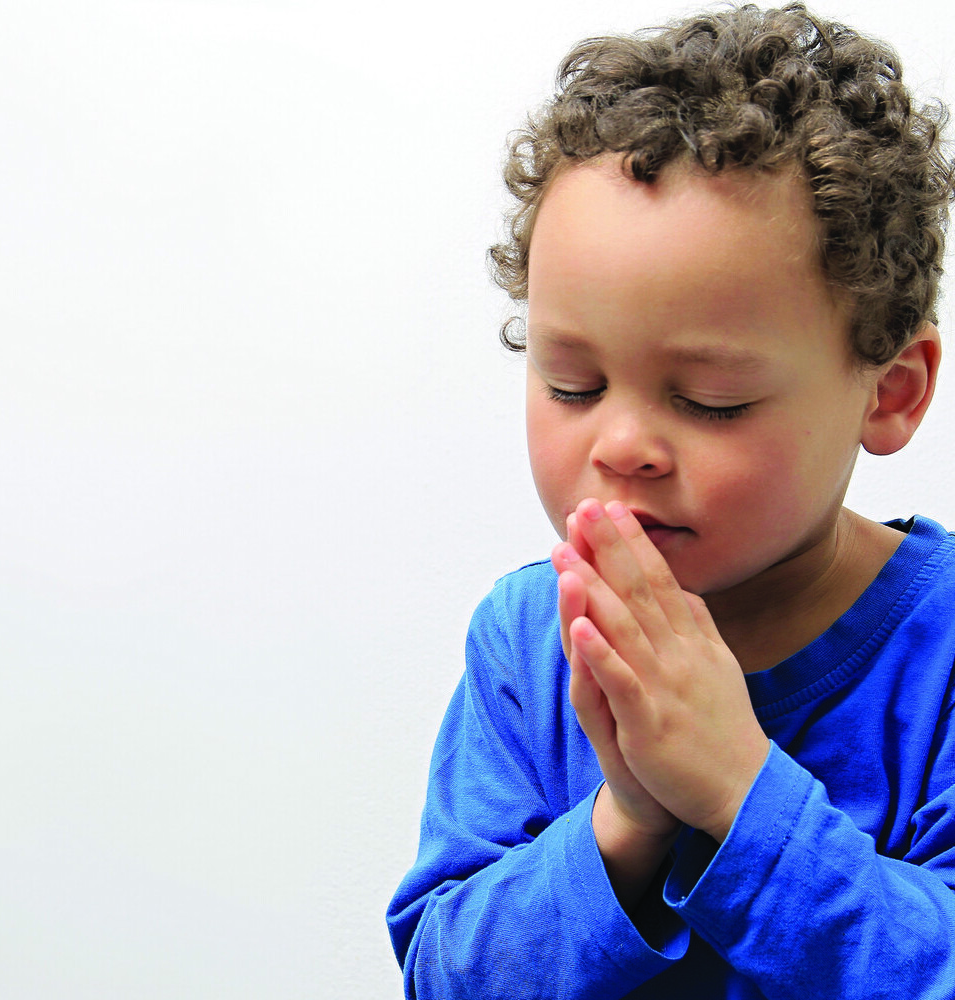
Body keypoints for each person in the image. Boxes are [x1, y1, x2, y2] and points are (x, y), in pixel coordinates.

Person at [387, 4, 955, 997]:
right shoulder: (526, 636)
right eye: (572, 384)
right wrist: (629, 819)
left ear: (889, 391)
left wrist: (736, 789)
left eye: (708, 401)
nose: (619, 446)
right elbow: (447, 974)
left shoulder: (940, 651)